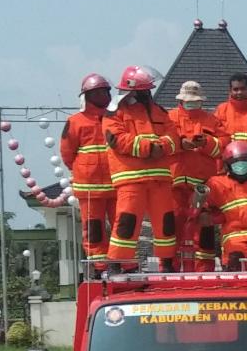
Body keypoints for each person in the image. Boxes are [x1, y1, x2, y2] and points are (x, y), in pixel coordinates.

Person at [103, 65, 179, 270]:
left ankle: (168, 263)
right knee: (127, 223)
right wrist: (149, 148)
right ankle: (118, 263)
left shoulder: (159, 112)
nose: (148, 93)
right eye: (144, 90)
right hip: (130, 179)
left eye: (149, 90)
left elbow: (174, 139)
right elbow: (117, 140)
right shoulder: (114, 113)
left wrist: (161, 147)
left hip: (160, 179)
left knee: (165, 224)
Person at [60, 74, 116, 272]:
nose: (102, 95)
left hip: (117, 183)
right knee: (94, 230)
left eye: (105, 91)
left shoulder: (116, 118)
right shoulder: (75, 121)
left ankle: (125, 264)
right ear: (87, 96)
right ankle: (100, 267)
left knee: (124, 227)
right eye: (97, 92)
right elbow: (67, 153)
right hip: (89, 187)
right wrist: (83, 169)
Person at [167, 80, 223, 270]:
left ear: (201, 101)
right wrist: (180, 143)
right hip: (173, 187)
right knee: (170, 232)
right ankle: (168, 271)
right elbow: (160, 143)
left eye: (195, 101)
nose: (191, 104)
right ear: (180, 100)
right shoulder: (168, 118)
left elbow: (224, 147)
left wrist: (205, 143)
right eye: (188, 101)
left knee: (203, 233)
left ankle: (204, 273)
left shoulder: (212, 121)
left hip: (202, 188)